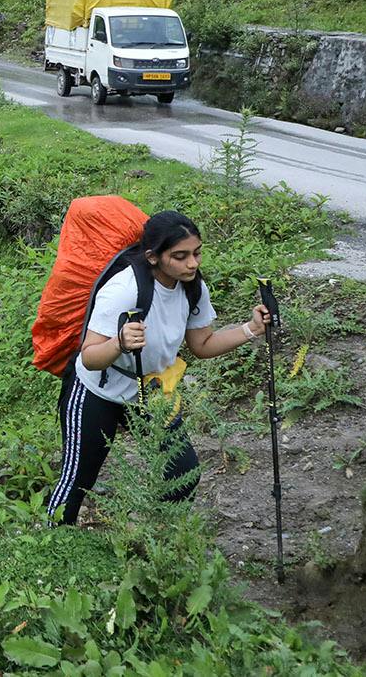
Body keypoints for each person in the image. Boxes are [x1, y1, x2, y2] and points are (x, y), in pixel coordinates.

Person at [48, 210, 271, 525]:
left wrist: (251, 329)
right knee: (78, 478)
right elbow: (89, 357)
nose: (192, 263)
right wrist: (120, 343)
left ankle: (156, 541)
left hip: (151, 392)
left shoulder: (193, 287)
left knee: (183, 472)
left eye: (196, 253)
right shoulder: (124, 289)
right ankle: (53, 540)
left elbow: (202, 345)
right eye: (180, 256)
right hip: (96, 390)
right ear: (153, 257)